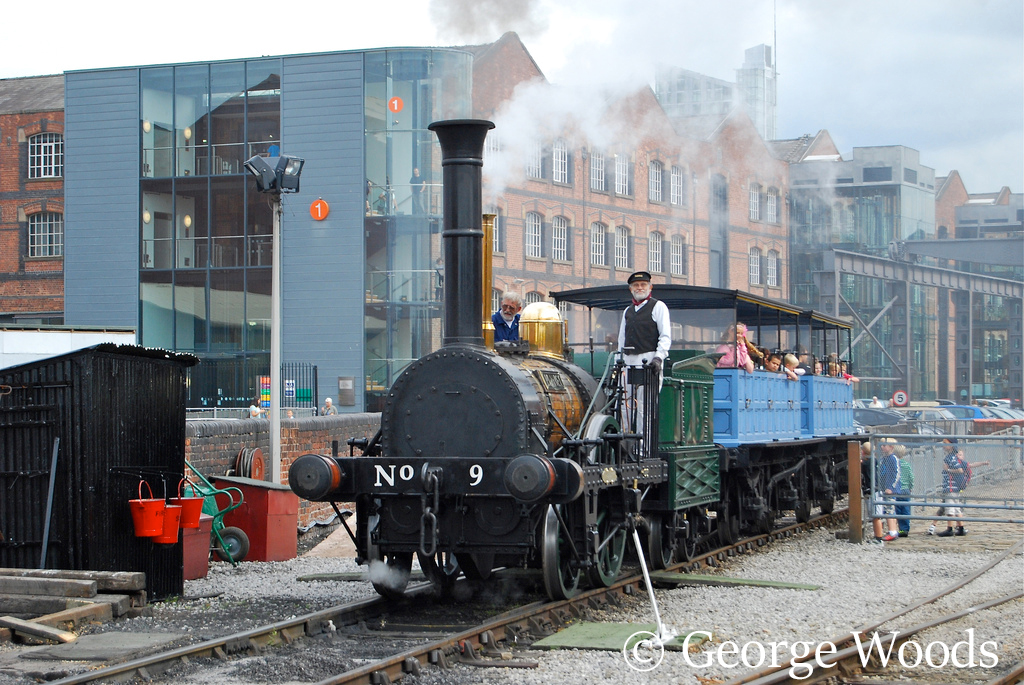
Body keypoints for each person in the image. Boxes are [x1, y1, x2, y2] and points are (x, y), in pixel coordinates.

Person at [617, 271, 672, 435]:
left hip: (647, 359)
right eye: (636, 285)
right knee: (625, 405)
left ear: (650, 287)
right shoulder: (628, 310)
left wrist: (658, 358)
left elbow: (665, 336)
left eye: (643, 285)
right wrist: (620, 359)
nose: (639, 288)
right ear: (630, 289)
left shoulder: (658, 306)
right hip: (628, 360)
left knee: (644, 406)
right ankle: (626, 445)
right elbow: (622, 338)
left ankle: (643, 450)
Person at [933, 438, 968, 537]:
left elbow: (960, 470)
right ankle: (961, 528)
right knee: (957, 507)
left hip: (951, 486)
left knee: (950, 508)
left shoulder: (950, 458)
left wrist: (948, 469)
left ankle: (949, 528)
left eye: (945, 443)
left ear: (951, 445)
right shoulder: (954, 457)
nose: (943, 445)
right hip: (955, 487)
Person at [873, 438, 901, 542]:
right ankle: (892, 530)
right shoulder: (883, 459)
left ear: (891, 447)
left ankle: (892, 532)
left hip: (890, 489)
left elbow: (897, 474)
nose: (882, 447)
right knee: (888, 509)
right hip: (884, 488)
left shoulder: (893, 458)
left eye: (884, 445)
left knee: (889, 510)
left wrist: (891, 487)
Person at [894, 443, 914, 537]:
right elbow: (911, 477)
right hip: (906, 490)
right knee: (906, 509)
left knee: (898, 510)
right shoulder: (906, 464)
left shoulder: (894, 464)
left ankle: (901, 529)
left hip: (897, 490)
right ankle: (906, 528)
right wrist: (910, 487)